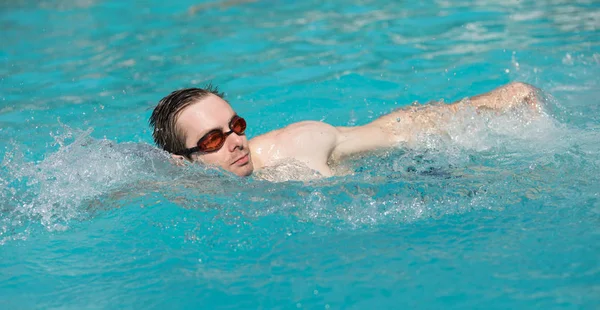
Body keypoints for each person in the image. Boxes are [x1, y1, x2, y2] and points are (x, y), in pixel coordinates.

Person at [149, 82, 540, 178]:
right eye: (215, 139)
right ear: (182, 161)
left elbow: (394, 133)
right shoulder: (177, 180)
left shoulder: (297, 149)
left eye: (236, 126)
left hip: (425, 148)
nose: (236, 142)